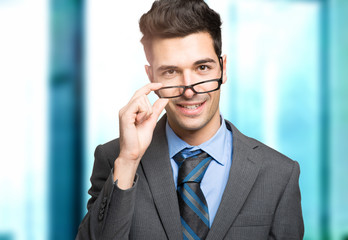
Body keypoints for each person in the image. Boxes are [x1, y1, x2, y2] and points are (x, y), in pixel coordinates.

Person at [76, 0, 304, 239]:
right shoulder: (115, 158)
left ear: (222, 69)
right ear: (151, 77)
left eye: (202, 67)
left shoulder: (279, 173)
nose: (189, 90)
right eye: (171, 72)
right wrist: (128, 161)